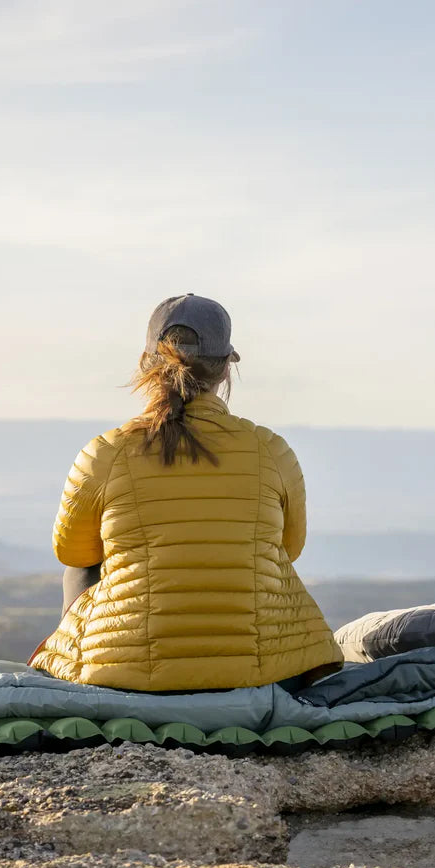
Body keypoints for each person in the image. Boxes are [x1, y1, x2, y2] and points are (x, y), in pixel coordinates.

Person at [29, 293, 342, 692]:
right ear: (226, 369)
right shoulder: (270, 449)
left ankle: (91, 668)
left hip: (124, 674)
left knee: (83, 565)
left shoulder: (105, 452)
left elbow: (73, 555)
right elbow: (290, 547)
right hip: (263, 673)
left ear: (147, 363)